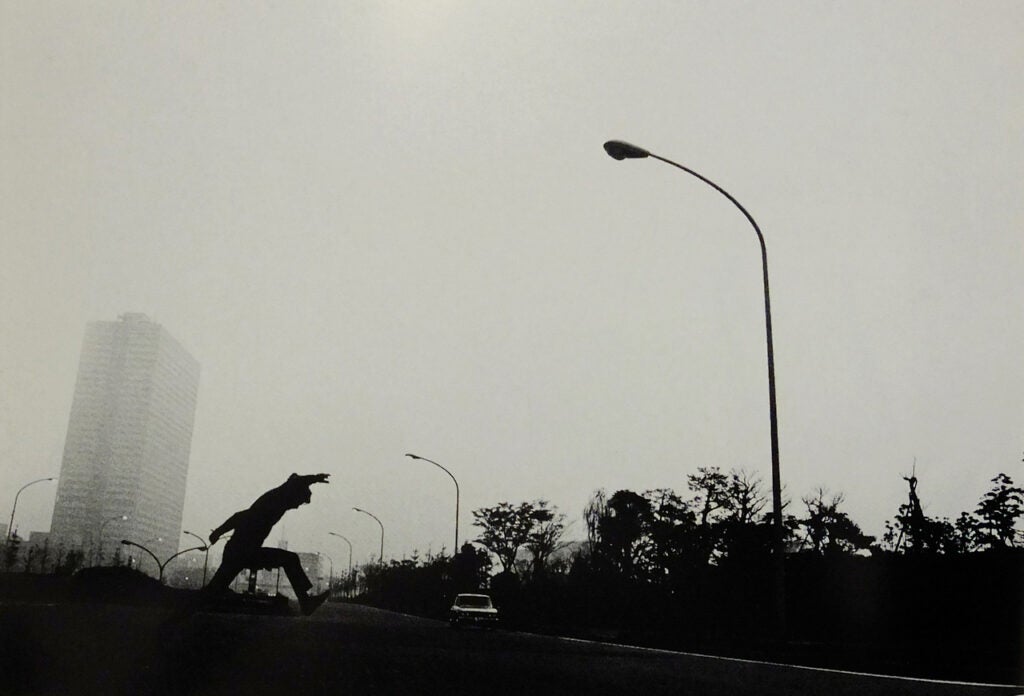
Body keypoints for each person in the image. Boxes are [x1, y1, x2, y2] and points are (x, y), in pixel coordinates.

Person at [204, 472, 332, 616]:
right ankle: (306, 602)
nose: (297, 506)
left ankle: (306, 602)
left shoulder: (276, 501)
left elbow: (239, 516)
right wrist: (314, 478)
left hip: (240, 552)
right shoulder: (276, 500)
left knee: (213, 590)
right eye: (300, 502)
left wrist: (217, 533)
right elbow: (239, 516)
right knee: (290, 559)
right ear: (294, 494)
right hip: (242, 552)